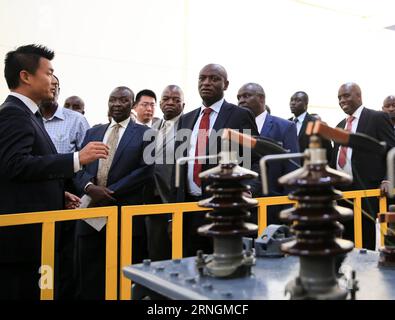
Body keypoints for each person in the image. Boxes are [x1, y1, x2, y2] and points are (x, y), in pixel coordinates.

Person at [0, 44, 108, 299]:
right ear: (25, 76)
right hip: (21, 243)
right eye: (48, 73)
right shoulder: (13, 115)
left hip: (37, 237)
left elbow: (25, 171)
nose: (53, 80)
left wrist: (58, 194)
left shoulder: (29, 115)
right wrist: (76, 159)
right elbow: (14, 165)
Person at [73, 86, 154, 299]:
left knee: (124, 274)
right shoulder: (93, 132)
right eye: (113, 100)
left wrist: (109, 192)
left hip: (124, 215)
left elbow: (147, 170)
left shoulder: (147, 134)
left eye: (123, 100)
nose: (117, 104)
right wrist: (90, 188)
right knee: (90, 273)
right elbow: (78, 167)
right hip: (91, 213)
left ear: (133, 105)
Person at [176, 64, 259, 257]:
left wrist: (248, 189)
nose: (206, 83)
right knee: (192, 266)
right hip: (189, 209)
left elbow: (254, 160)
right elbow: (181, 164)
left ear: (226, 84)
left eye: (214, 79)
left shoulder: (240, 115)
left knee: (225, 263)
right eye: (202, 78)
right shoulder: (186, 119)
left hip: (224, 208)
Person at [38, 74, 90, 299]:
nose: (51, 89)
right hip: (36, 196)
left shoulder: (76, 120)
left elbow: (88, 162)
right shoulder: (28, 119)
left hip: (70, 195)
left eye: (55, 86)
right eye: (48, 84)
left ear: (58, 90)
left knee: (65, 253)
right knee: (40, 253)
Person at [330, 82, 395, 250]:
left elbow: (392, 151)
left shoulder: (377, 118)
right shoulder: (339, 126)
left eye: (346, 96)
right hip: (343, 192)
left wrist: (388, 179)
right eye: (339, 98)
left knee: (367, 238)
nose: (342, 100)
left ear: (359, 96)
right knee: (349, 236)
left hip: (369, 189)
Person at [145, 85, 185, 261]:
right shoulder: (152, 126)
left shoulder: (189, 127)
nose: (170, 102)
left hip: (173, 198)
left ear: (183, 105)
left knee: (174, 253)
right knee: (154, 252)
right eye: (166, 99)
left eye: (176, 100)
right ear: (160, 103)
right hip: (150, 200)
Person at [237, 83, 299, 196]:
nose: (241, 100)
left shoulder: (285, 127)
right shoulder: (235, 129)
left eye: (246, 96)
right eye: (239, 97)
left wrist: (289, 205)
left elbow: (292, 170)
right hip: (241, 204)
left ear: (261, 98)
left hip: (272, 203)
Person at [289, 91, 332, 162]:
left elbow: (328, 151)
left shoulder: (317, 124)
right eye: (292, 100)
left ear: (306, 104)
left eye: (298, 100)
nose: (293, 103)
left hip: (309, 167)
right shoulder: (287, 123)